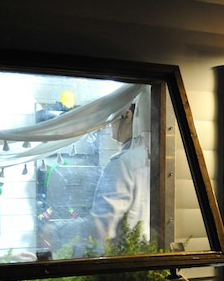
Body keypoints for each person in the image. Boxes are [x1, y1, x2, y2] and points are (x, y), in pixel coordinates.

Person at [47, 102, 150, 256]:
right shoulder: (148, 156)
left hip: (119, 262)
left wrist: (57, 231)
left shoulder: (122, 163)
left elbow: (101, 226)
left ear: (127, 116)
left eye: (111, 118)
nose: (109, 125)